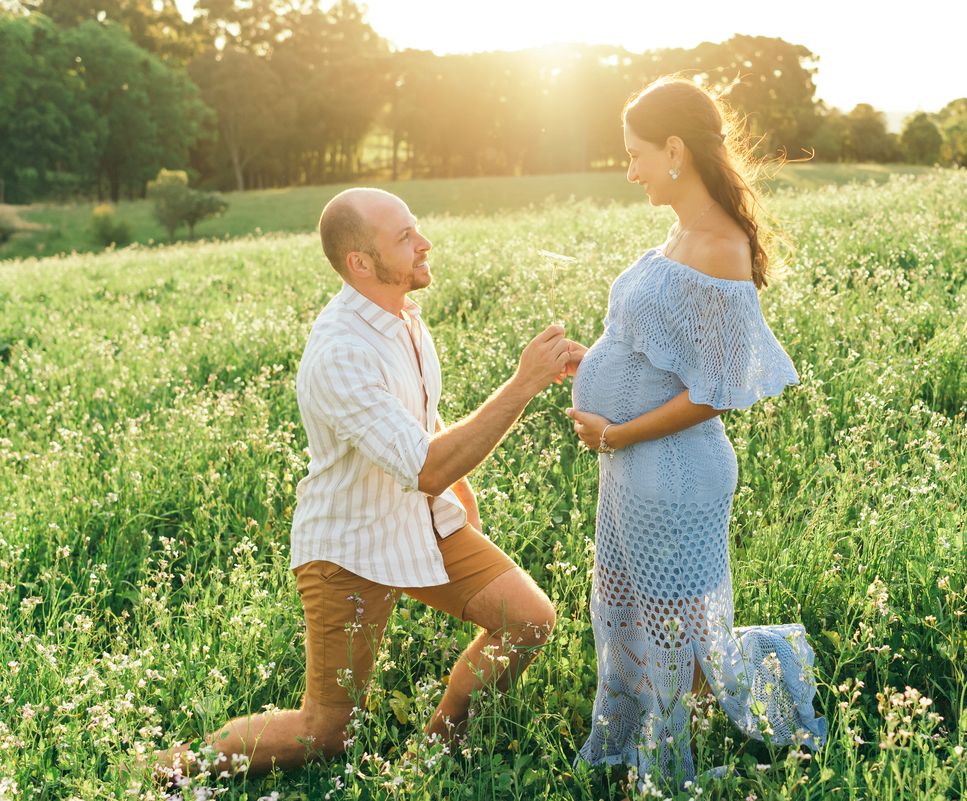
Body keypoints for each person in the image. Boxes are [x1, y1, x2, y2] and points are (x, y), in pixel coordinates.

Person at [154, 187, 568, 781]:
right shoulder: (340, 351)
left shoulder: (404, 316)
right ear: (360, 263)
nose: (424, 243)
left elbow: (421, 425)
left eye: (415, 228)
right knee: (326, 731)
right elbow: (426, 464)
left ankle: (439, 752)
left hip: (422, 522)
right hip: (349, 549)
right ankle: (167, 768)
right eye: (404, 238)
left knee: (528, 620)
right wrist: (524, 383)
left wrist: (462, 503)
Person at [563, 77, 827, 787]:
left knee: (680, 636)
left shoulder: (719, 246)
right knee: (627, 615)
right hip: (630, 468)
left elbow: (715, 394)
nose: (630, 169)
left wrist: (616, 433)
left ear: (674, 149)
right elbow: (659, 349)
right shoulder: (678, 233)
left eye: (636, 153)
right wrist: (592, 362)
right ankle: (623, 745)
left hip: (675, 472)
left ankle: (684, 749)